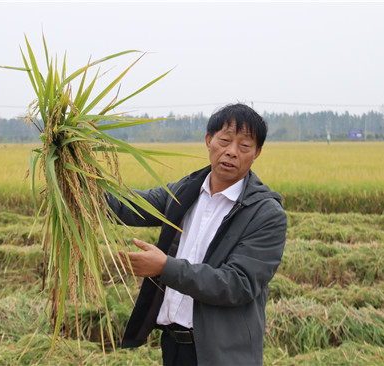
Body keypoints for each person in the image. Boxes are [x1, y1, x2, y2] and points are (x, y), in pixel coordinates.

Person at [108, 103, 287, 366]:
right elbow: (130, 206)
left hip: (222, 354)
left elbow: (237, 284)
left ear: (257, 152)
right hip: (172, 346)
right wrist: (80, 182)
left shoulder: (266, 214)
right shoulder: (185, 191)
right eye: (224, 141)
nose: (231, 152)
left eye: (244, 146)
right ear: (208, 140)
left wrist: (164, 267)